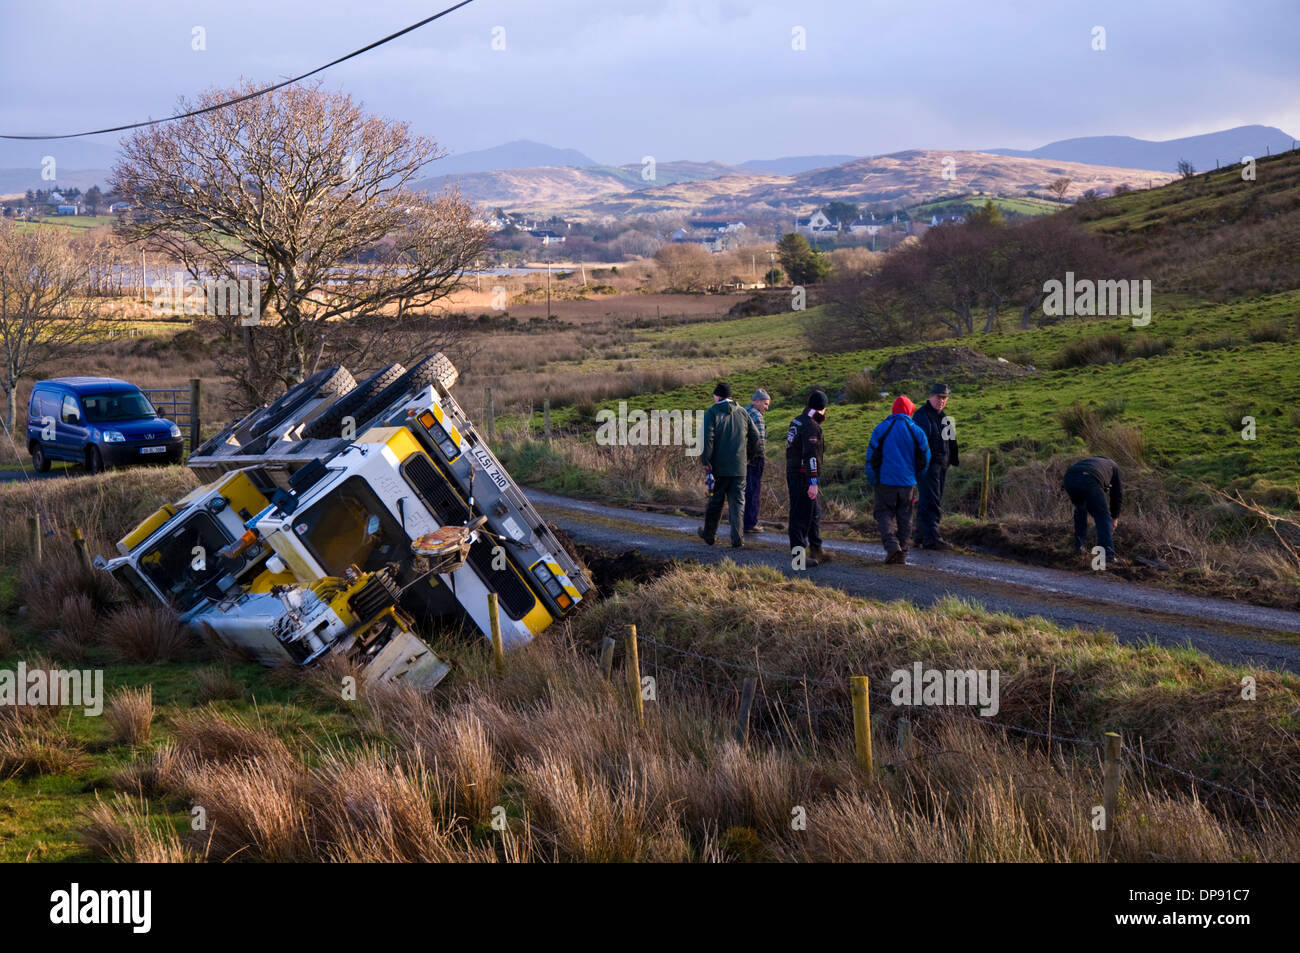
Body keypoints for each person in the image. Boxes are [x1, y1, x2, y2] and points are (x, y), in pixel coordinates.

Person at [865, 395, 931, 564]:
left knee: (883, 513)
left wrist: (873, 479)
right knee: (905, 517)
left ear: (894, 410)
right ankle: (902, 552)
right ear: (910, 410)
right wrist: (917, 475)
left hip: (885, 482)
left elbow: (871, 457)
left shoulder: (881, 428)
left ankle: (892, 545)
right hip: (907, 483)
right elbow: (925, 456)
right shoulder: (917, 431)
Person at [698, 381, 761, 548]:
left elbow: (707, 439)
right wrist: (748, 457)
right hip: (740, 467)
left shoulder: (712, 412)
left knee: (715, 501)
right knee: (738, 502)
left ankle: (709, 534)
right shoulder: (743, 412)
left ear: (718, 396)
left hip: (718, 467)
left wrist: (705, 460)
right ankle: (737, 538)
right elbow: (756, 438)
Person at [912, 382, 958, 549]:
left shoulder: (945, 418)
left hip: (941, 466)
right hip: (928, 467)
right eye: (939, 397)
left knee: (929, 500)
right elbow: (920, 443)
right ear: (931, 396)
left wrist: (950, 461)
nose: (942, 401)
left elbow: (950, 443)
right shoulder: (921, 416)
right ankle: (932, 538)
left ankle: (920, 536)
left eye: (944, 398)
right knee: (932, 501)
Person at [786, 389, 829, 566]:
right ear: (822, 408)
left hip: (794, 472)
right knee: (800, 517)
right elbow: (811, 456)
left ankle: (817, 549)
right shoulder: (811, 427)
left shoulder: (798, 420)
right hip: (803, 476)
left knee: (814, 513)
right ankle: (798, 559)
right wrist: (813, 481)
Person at [1063, 456, 1122, 565]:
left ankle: (1079, 549)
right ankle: (1107, 556)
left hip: (1069, 478)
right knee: (1102, 517)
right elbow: (1116, 496)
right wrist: (1114, 518)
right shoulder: (1114, 467)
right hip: (1089, 479)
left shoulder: (1093, 462)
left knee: (1080, 510)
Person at [743, 388, 770, 535]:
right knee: (753, 490)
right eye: (765, 404)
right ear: (757, 401)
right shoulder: (757, 416)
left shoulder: (743, 411)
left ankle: (741, 521)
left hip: (741, 458)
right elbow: (758, 442)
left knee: (743, 491)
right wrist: (756, 457)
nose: (767, 407)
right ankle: (751, 523)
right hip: (754, 459)